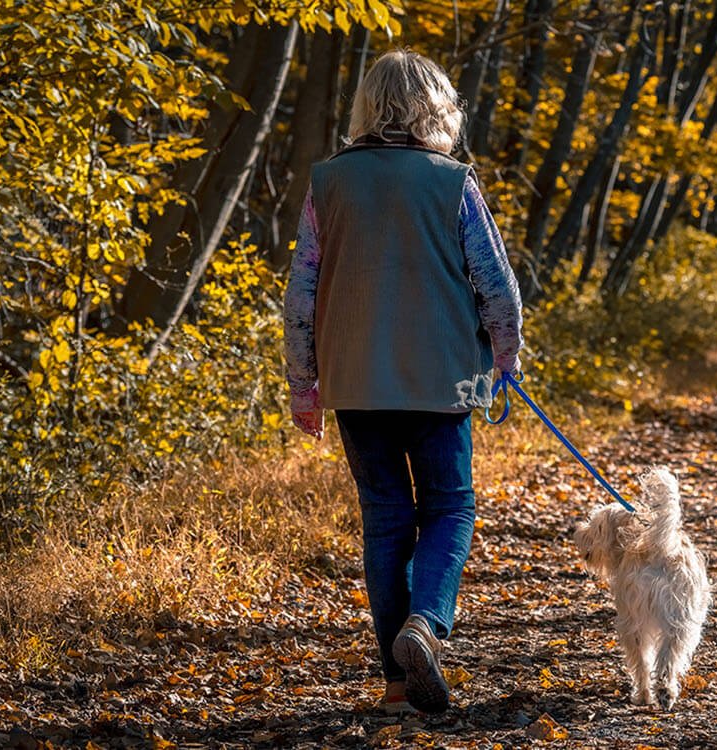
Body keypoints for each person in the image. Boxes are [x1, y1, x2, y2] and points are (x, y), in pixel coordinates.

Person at [281, 49, 522, 716]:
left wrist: (305, 386)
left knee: (386, 520)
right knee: (451, 505)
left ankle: (396, 683)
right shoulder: (453, 182)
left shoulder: (327, 183)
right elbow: (496, 288)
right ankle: (426, 624)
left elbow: (301, 297)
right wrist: (506, 361)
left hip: (355, 383)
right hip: (450, 381)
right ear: (436, 110)